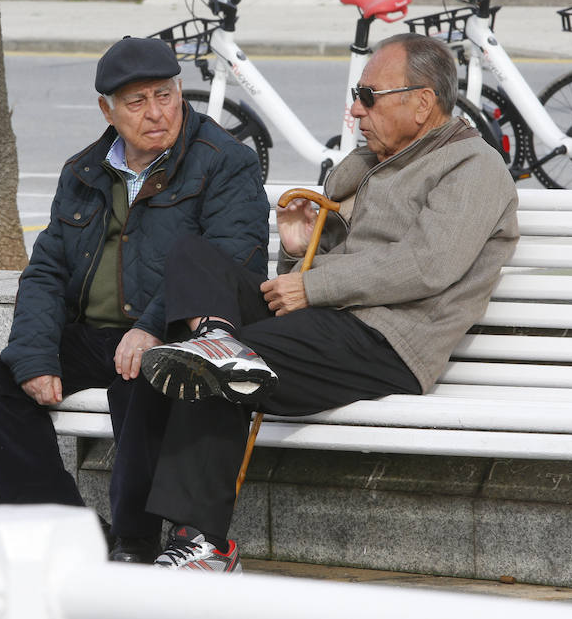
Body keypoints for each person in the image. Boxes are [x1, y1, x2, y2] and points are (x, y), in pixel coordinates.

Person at [138, 32, 520, 571]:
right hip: (331, 321)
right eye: (358, 95)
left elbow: (428, 264)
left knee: (212, 364)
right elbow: (325, 271)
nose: (355, 108)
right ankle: (220, 342)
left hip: (387, 339)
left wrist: (311, 285)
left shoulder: (471, 167)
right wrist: (298, 256)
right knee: (192, 258)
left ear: (423, 102)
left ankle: (204, 544)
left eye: (369, 95)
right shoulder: (370, 164)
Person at [0, 36, 270, 565]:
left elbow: (229, 261)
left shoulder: (225, 162)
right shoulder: (83, 172)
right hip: (96, 334)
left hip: (173, 331)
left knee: (142, 379)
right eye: (137, 102)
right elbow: (45, 272)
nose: (156, 113)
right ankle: (64, 530)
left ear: (181, 93)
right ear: (106, 109)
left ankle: (136, 542)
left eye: (166, 95)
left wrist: (152, 325)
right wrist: (36, 355)